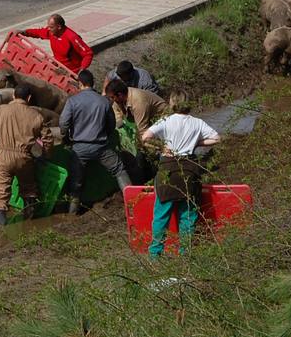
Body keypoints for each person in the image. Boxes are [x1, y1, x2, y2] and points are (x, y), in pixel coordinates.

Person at [139, 95, 221, 260]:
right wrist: (197, 143)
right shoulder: (197, 123)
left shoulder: (166, 121)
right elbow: (217, 138)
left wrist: (162, 146)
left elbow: (145, 137)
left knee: (161, 216)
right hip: (189, 171)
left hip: (167, 171)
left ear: (172, 103)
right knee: (188, 216)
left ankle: (155, 254)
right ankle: (186, 255)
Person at [60, 69, 132, 208]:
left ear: (80, 84)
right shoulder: (104, 101)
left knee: (76, 182)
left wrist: (66, 138)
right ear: (93, 83)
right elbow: (111, 125)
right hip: (101, 147)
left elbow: (63, 123)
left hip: (79, 148)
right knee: (119, 170)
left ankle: (72, 213)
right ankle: (132, 202)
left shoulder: (73, 101)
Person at [0, 82, 49, 225]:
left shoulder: (1, 110)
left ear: (13, 95)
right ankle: (29, 223)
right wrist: (44, 155)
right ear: (29, 98)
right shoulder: (36, 115)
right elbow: (48, 138)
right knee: (29, 189)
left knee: (1, 193)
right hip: (25, 158)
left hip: (3, 156)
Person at [105, 76, 167, 184]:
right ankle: (148, 179)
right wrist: (118, 122)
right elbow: (116, 112)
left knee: (146, 155)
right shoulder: (120, 99)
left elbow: (144, 132)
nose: (111, 100)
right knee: (142, 156)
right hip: (149, 124)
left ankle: (157, 177)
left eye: (112, 97)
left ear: (119, 95)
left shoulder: (138, 102)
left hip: (164, 123)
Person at [20, 13, 93, 74]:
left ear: (59, 27)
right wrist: (24, 32)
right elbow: (39, 32)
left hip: (72, 72)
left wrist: (82, 69)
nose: (48, 29)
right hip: (59, 69)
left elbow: (88, 53)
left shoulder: (72, 37)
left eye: (51, 27)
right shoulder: (52, 32)